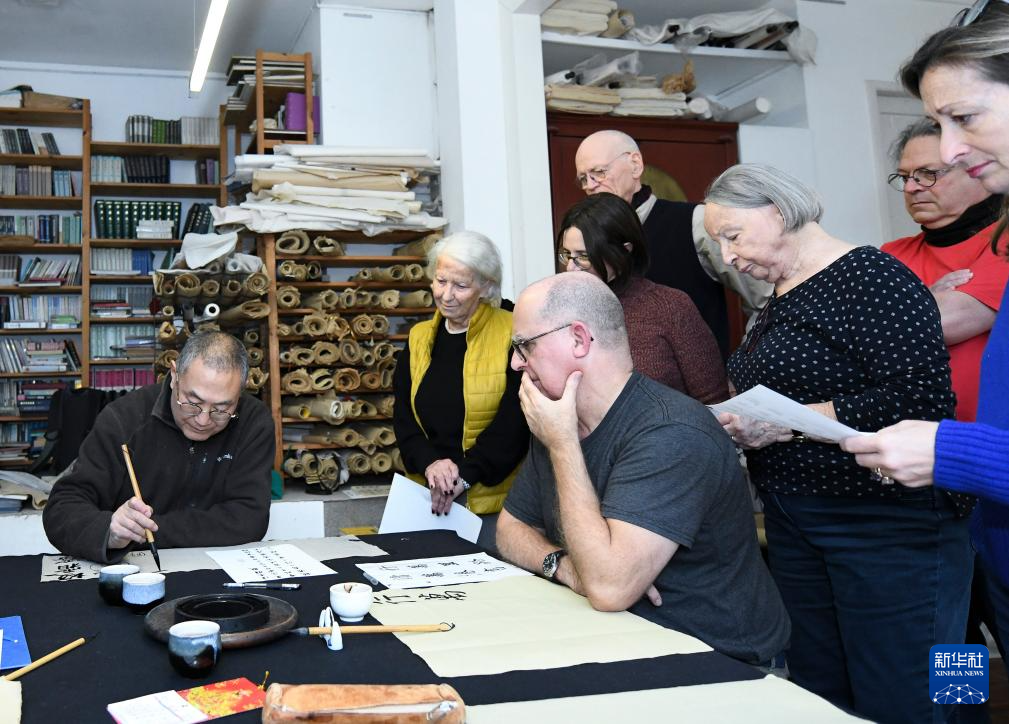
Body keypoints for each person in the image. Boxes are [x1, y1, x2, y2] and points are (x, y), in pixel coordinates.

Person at [705, 163, 970, 724]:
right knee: (821, 695)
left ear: (778, 212)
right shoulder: (780, 297)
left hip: (883, 523)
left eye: (732, 236)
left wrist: (788, 421)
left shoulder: (871, 277)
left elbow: (920, 401)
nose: (727, 257)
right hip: (798, 521)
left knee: (911, 696)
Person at [497, 272, 789, 666]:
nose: (516, 362)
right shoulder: (559, 417)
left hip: (722, 661)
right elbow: (510, 529)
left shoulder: (671, 431)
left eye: (524, 345)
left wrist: (563, 445)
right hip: (630, 644)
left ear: (579, 339)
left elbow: (609, 588)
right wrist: (565, 567)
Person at [841, 1, 1009, 666]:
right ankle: (962, 713)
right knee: (950, 641)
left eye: (963, 119)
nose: (948, 151)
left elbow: (921, 332)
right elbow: (850, 348)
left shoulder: (998, 248)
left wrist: (950, 450)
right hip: (941, 488)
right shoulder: (890, 254)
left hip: (963, 464)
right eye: (906, 176)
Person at [43, 331, 275, 563]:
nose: (203, 420)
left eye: (221, 409)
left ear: (240, 393)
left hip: (219, 570)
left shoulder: (253, 422)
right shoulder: (124, 419)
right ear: (174, 375)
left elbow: (250, 519)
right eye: (192, 403)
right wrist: (110, 531)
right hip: (132, 569)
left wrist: (146, 530)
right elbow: (62, 509)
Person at [575, 129, 771, 358]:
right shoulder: (585, 239)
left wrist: (746, 363)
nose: (590, 185)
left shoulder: (696, 222)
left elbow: (765, 300)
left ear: (635, 165)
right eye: (583, 178)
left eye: (598, 172)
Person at [392, 231, 528, 548]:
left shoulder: (513, 332)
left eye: (461, 286)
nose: (447, 295)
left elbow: (515, 422)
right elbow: (403, 417)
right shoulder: (419, 337)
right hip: (424, 498)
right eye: (441, 281)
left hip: (490, 505)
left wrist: (463, 476)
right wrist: (430, 464)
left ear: (486, 286)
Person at [882, 117, 1007, 422]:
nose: (911, 187)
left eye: (928, 174)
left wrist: (906, 304)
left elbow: (946, 322)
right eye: (905, 177)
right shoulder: (889, 254)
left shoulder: (1003, 242)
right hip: (901, 435)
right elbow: (845, 339)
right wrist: (927, 298)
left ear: (978, 172)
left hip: (985, 435)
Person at [557, 192, 727, 402]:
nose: (571, 267)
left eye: (584, 256)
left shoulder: (669, 307)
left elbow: (713, 400)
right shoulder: (561, 313)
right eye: (566, 254)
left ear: (624, 250)